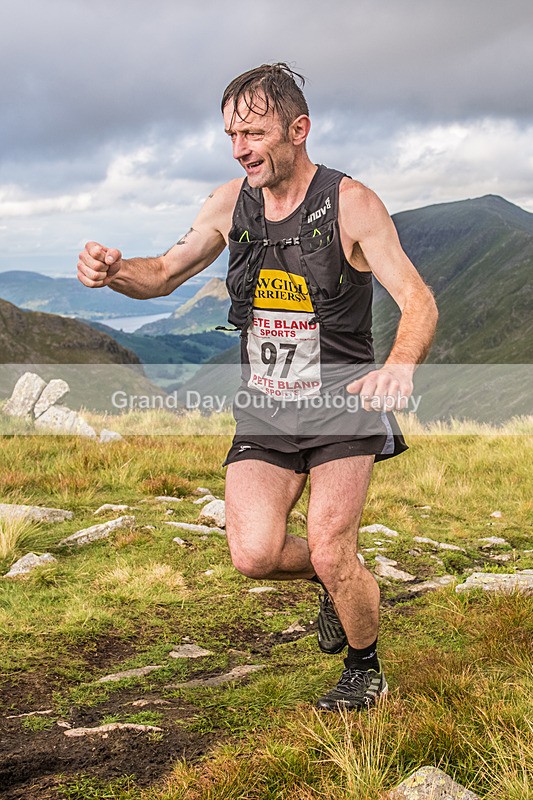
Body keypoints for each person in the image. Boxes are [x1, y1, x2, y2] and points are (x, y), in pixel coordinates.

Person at [78, 63, 438, 711]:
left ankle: (364, 667)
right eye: (230, 134)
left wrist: (400, 365)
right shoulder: (227, 203)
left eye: (253, 131)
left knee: (330, 546)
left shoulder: (351, 204)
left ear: (298, 130)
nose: (240, 147)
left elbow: (417, 301)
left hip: (341, 407)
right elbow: (160, 275)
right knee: (253, 554)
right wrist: (113, 274)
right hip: (266, 411)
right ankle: (341, 582)